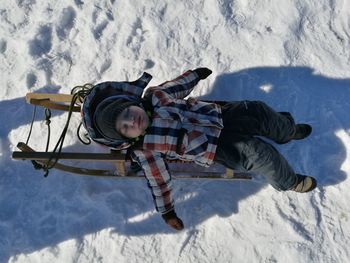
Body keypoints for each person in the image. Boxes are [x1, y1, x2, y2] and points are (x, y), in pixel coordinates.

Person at [85, 68, 317, 231]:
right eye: (125, 128)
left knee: (258, 111)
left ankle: (286, 130)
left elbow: (177, 87)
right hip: (217, 148)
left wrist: (194, 75)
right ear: (126, 138)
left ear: (131, 104)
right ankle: (289, 181)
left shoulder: (156, 96)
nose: (131, 122)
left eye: (127, 114)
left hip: (219, 114)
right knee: (259, 153)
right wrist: (167, 211)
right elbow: (159, 181)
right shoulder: (145, 150)